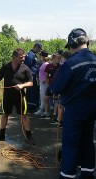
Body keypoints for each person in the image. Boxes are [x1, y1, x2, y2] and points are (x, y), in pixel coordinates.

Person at [50, 28, 96, 179]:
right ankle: (88, 174)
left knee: (70, 145)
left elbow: (56, 87)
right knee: (87, 142)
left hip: (75, 111)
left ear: (73, 43)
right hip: (92, 110)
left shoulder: (71, 62)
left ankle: (67, 176)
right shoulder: (95, 60)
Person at [0, 48, 35, 145]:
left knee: (24, 116)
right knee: (5, 114)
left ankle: (29, 136)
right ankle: (1, 135)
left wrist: (22, 85)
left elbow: (31, 83)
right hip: (7, 96)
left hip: (20, 96)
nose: (23, 59)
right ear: (14, 57)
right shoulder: (6, 67)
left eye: (24, 57)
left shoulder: (25, 68)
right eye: (21, 57)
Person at [40, 53, 61, 123]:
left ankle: (55, 114)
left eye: (60, 58)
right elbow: (46, 76)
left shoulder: (60, 66)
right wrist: (48, 84)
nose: (59, 60)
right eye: (58, 58)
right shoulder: (48, 66)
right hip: (50, 85)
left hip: (57, 85)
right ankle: (46, 112)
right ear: (53, 58)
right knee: (45, 98)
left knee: (56, 100)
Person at [24, 42, 42, 111]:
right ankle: (31, 107)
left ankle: (29, 105)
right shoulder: (31, 55)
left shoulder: (33, 54)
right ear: (36, 47)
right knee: (32, 91)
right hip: (31, 76)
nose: (39, 51)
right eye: (39, 49)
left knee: (31, 91)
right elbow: (27, 66)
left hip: (33, 75)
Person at [34, 50, 50, 116]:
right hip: (42, 82)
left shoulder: (46, 64)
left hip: (44, 82)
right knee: (42, 96)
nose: (39, 56)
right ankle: (42, 109)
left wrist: (44, 80)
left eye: (40, 55)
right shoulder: (45, 63)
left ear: (42, 56)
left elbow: (48, 74)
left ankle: (42, 109)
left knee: (43, 96)